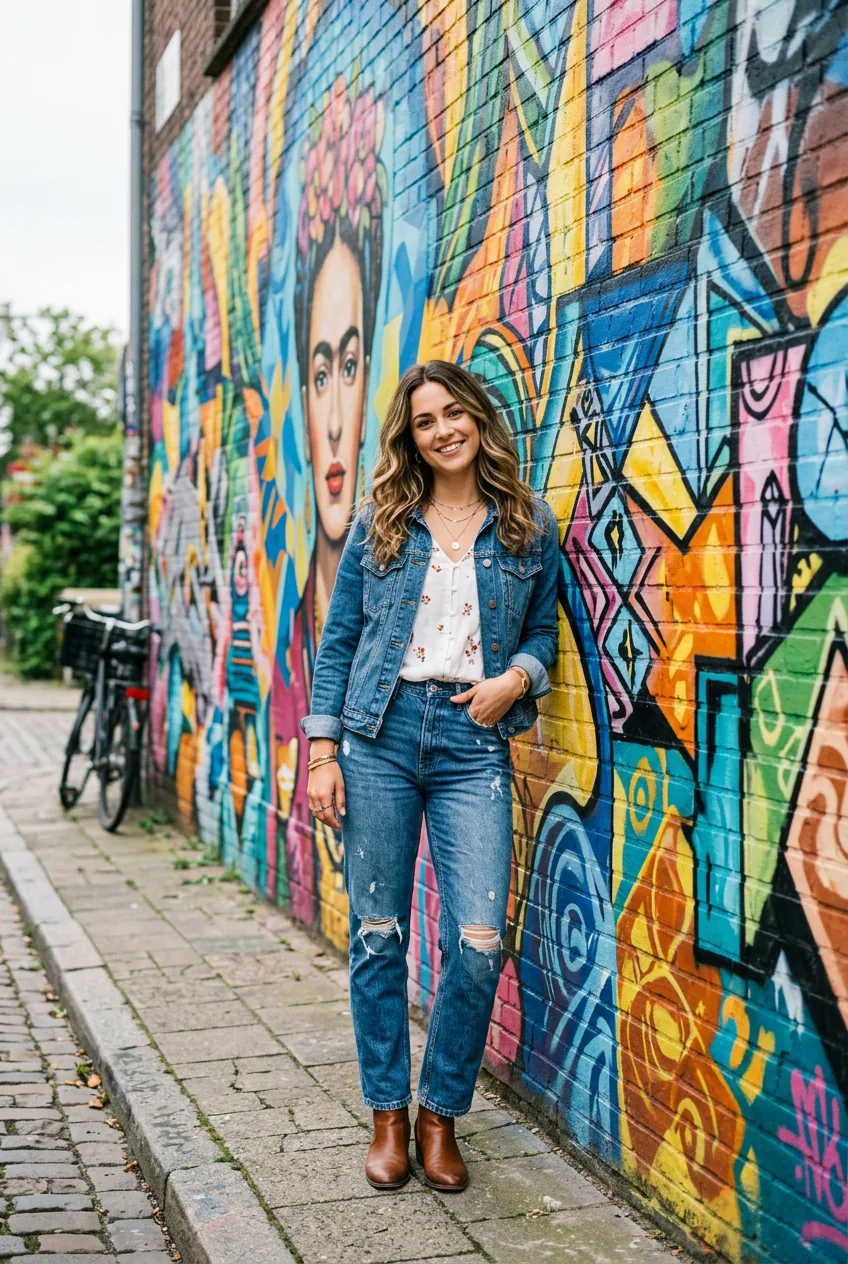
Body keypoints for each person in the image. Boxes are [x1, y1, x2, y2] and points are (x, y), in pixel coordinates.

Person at [301, 359, 559, 1191]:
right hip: (378, 736)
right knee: (378, 936)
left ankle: (440, 1112)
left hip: (470, 740)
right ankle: (387, 1114)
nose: (444, 429)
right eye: (425, 420)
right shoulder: (384, 523)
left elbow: (546, 632)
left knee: (478, 943)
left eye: (455, 413)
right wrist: (322, 753)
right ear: (408, 438)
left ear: (477, 419)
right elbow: (337, 644)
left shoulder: (526, 525)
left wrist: (517, 678)